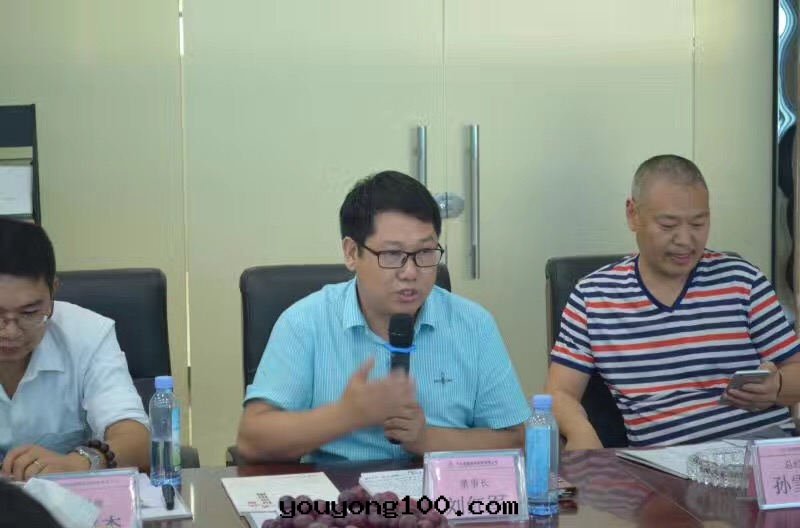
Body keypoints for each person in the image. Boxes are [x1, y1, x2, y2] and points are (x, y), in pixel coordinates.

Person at [237, 170, 530, 462]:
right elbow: (252, 441)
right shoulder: (305, 322)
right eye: (392, 255)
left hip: (439, 488)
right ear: (352, 253)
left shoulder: (474, 325)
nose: (411, 272)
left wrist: (427, 439)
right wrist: (346, 415)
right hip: (340, 488)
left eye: (425, 252)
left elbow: (517, 439)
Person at [546, 154, 800, 449]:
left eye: (698, 224)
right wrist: (581, 433)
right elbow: (559, 393)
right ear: (633, 214)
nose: (685, 240)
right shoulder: (593, 297)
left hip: (762, 454)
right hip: (664, 464)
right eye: (668, 225)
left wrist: (777, 386)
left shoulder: (743, 281)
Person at [0, 218, 150, 480]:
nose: (10, 332)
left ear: (53, 291)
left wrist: (80, 462)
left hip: (67, 499)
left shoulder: (87, 334)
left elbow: (138, 441)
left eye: (29, 312)